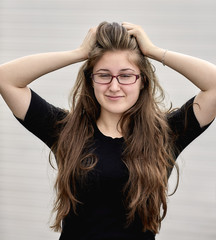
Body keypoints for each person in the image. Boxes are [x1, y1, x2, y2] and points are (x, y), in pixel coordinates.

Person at [0, 21, 215, 240]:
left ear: (142, 81)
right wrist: (79, 53)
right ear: (90, 80)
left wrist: (153, 51)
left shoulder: (165, 134)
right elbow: (6, 78)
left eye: (126, 75)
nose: (114, 86)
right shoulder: (66, 131)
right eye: (103, 75)